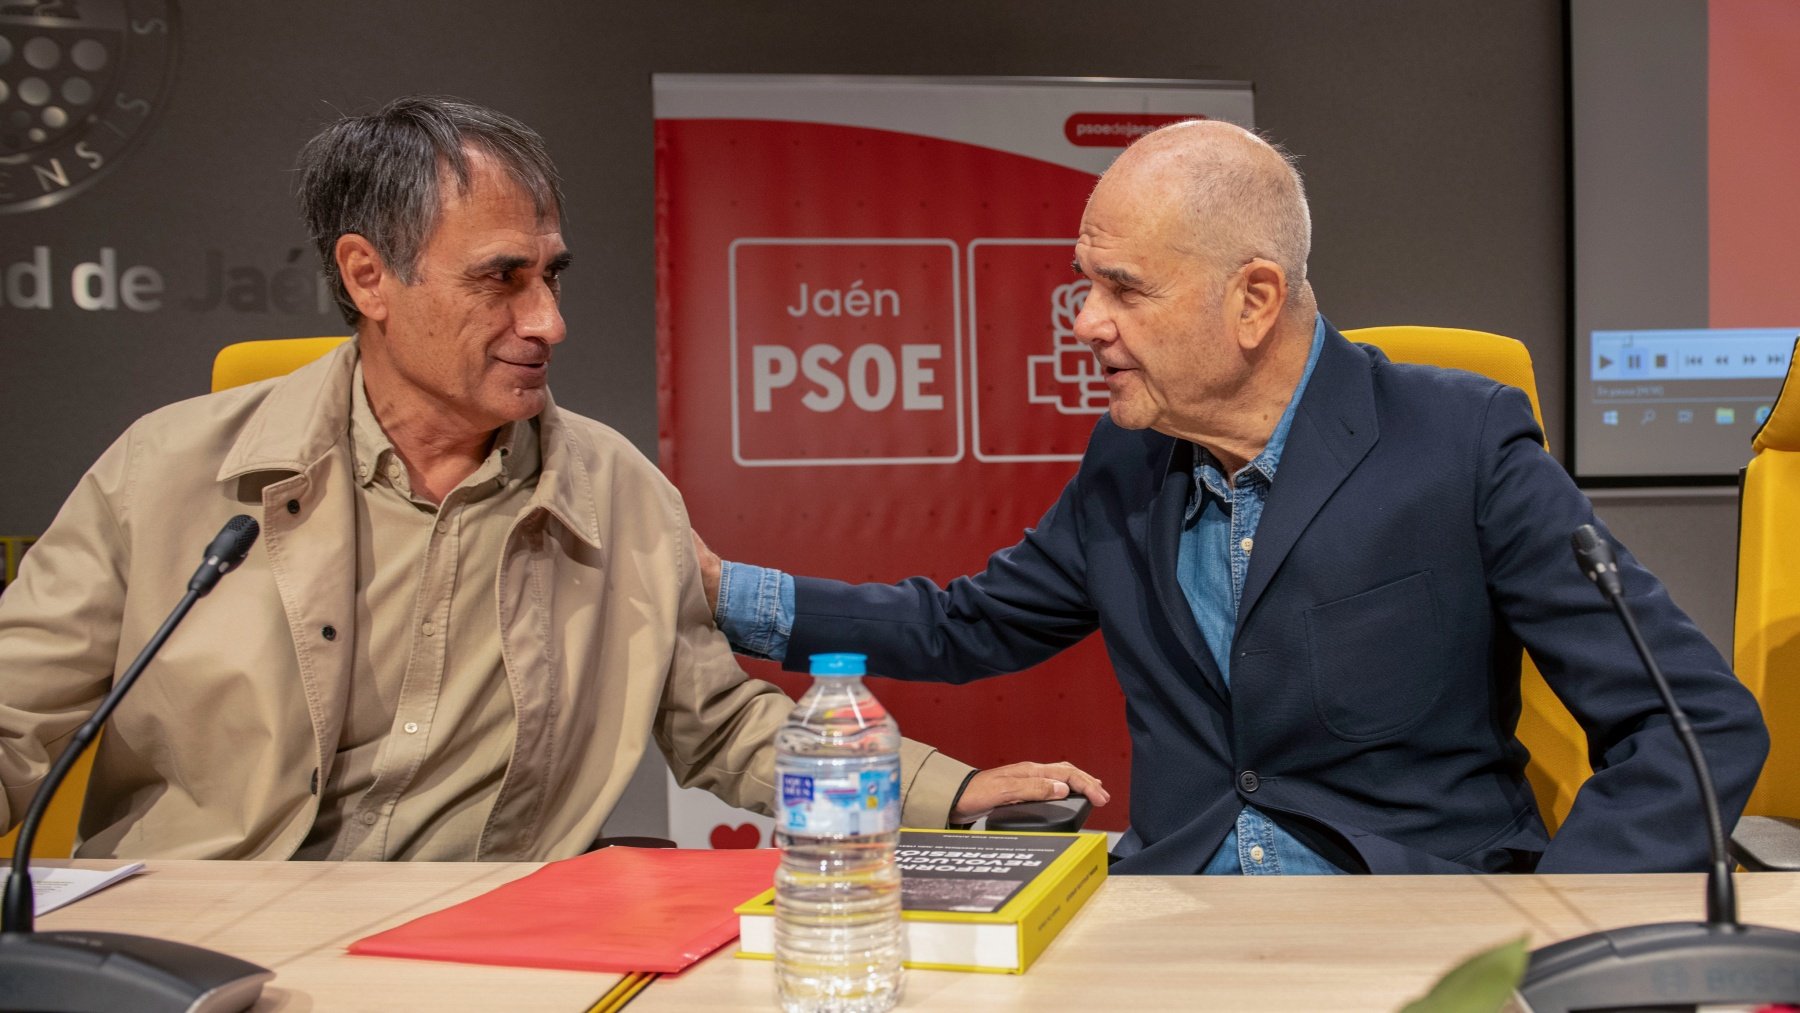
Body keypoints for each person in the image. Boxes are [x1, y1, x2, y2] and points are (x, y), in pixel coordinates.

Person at [0, 96, 1104, 861]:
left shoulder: (617, 491)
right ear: (367, 275)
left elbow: (717, 723)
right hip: (202, 944)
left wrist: (944, 790)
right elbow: (13, 717)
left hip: (475, 962)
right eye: (502, 280)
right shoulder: (165, 471)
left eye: (552, 276)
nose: (549, 321)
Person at [700, 119, 1768, 876]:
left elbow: (1693, 727)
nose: (1084, 322)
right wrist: (724, 592)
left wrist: (1562, 933)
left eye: (1122, 287)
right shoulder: (1124, 465)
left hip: (1408, 929)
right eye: (1084, 283)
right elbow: (966, 623)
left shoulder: (1462, 443)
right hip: (1180, 922)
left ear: (1254, 298)